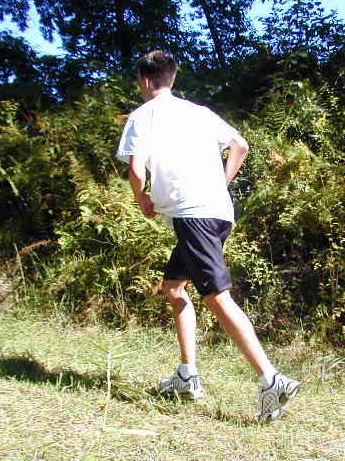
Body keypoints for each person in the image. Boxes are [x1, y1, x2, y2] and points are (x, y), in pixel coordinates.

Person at [116, 50, 300, 422]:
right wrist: (221, 183)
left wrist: (143, 199)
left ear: (146, 80)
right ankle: (188, 376)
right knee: (173, 288)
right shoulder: (199, 112)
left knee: (216, 297)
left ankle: (271, 379)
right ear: (172, 77)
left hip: (193, 217)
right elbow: (240, 146)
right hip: (219, 212)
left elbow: (136, 170)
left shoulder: (142, 116)